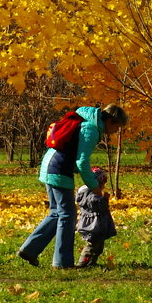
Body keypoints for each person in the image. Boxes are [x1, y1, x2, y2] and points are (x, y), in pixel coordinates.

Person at [18, 104, 128, 269]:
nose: (115, 132)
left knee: (57, 212)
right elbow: (82, 161)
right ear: (111, 121)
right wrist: (94, 186)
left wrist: (88, 175)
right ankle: (63, 263)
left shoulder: (85, 121)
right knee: (68, 215)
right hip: (59, 169)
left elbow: (75, 155)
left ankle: (30, 249)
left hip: (49, 164)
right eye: (117, 127)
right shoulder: (91, 129)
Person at [76, 167, 117, 268]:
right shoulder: (89, 194)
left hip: (97, 225)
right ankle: (82, 263)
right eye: (102, 184)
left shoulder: (92, 192)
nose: (103, 187)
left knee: (98, 247)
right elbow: (94, 203)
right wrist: (104, 199)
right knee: (91, 246)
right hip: (92, 225)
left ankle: (91, 263)